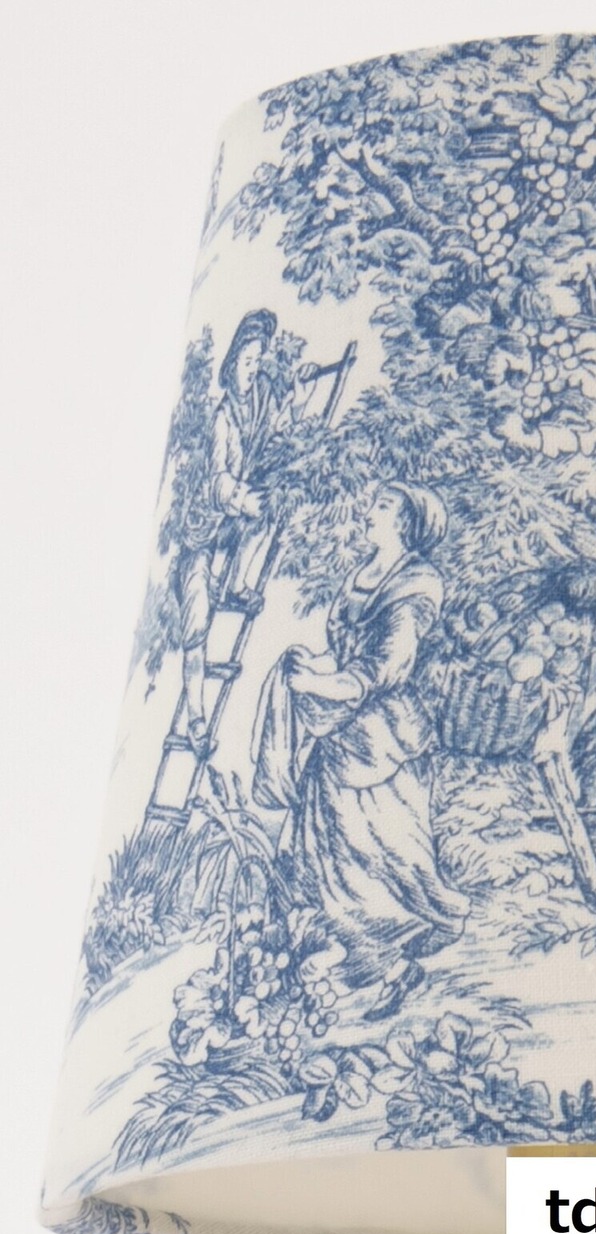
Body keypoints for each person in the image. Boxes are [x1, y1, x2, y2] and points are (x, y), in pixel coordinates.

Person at [250, 481, 472, 1021]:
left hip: (383, 744)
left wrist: (322, 685)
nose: (370, 512)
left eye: (383, 506)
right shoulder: (361, 576)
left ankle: (391, 966)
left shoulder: (416, 587)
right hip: (342, 738)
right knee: (319, 860)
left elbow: (386, 667)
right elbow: (344, 654)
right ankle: (364, 969)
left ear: (405, 523)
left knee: (378, 864)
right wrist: (313, 668)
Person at [173, 308, 314, 749]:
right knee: (196, 624)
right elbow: (217, 481)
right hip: (204, 530)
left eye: (258, 360)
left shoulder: (261, 398)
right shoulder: (223, 418)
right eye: (248, 361)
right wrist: (241, 497)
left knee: (267, 509)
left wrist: (297, 400)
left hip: (234, 526)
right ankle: (197, 721)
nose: (254, 369)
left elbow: (278, 436)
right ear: (232, 363)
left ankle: (237, 585)